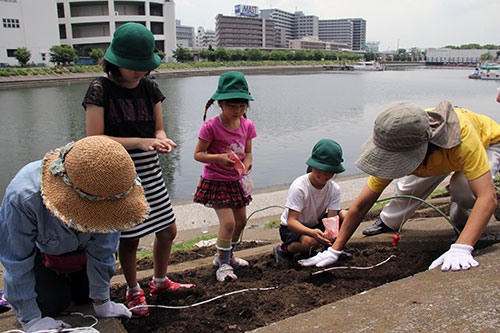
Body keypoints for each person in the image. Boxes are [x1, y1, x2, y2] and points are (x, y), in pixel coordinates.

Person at [299, 100, 500, 272]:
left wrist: (462, 247)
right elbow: (361, 205)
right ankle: (389, 221)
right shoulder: (398, 135)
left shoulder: (463, 138)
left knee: (464, 190)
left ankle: (464, 220)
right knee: (406, 189)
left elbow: (486, 196)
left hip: (486, 144)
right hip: (436, 158)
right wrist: (336, 249)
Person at [83, 22, 193, 317]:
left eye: (144, 66)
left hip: (150, 169)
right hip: (118, 172)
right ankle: (133, 290)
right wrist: (141, 142)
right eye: (134, 66)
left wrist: (160, 140)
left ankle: (159, 281)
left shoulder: (150, 87)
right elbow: (94, 140)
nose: (140, 72)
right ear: (115, 61)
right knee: (129, 237)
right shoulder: (99, 89)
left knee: (167, 230)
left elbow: (158, 128)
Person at [0, 136, 150, 332]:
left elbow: (103, 250)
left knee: (85, 297)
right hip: (41, 253)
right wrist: (31, 320)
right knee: (52, 304)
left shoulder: (110, 185)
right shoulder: (24, 197)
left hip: (81, 253)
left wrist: (102, 302)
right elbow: (16, 260)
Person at [193, 71, 257, 282]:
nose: (238, 110)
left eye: (242, 106)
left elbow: (248, 152)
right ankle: (223, 264)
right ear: (220, 103)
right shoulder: (210, 127)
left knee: (241, 221)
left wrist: (247, 163)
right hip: (216, 181)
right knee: (228, 223)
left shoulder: (247, 125)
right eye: (232, 106)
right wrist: (219, 158)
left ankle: (228, 254)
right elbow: (198, 155)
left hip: (237, 181)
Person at [273, 139, 347, 263]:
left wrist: (329, 233)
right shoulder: (300, 186)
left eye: (328, 172)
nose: (323, 176)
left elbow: (332, 218)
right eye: (319, 171)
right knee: (311, 242)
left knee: (346, 216)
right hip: (293, 228)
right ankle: (284, 249)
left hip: (315, 222)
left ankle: (332, 249)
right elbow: (291, 221)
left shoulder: (334, 189)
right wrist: (312, 233)